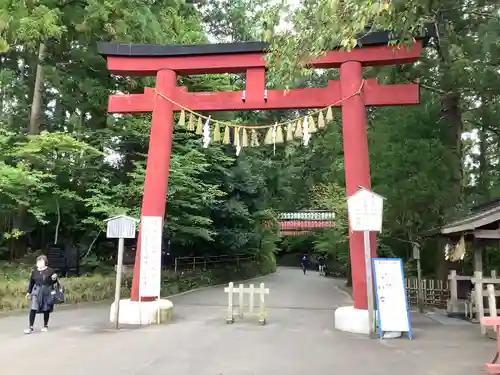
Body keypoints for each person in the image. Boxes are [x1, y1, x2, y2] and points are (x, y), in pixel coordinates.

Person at [24, 255, 58, 334]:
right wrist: (29, 292)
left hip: (46, 291)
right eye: (38, 261)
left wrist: (54, 279)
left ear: (45, 262)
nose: (39, 263)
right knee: (33, 308)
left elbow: (54, 282)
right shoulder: (34, 272)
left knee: (46, 309)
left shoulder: (50, 270)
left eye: (41, 261)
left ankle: (45, 325)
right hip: (36, 291)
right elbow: (31, 283)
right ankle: (30, 327)